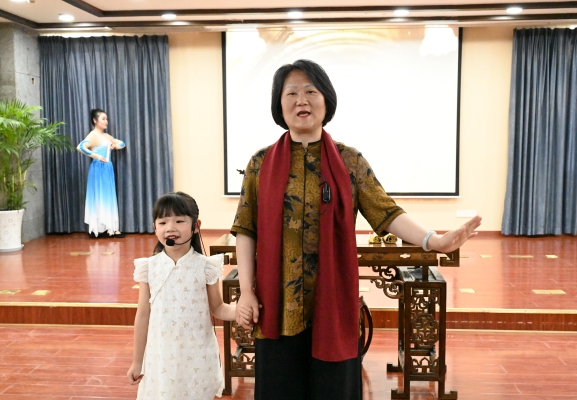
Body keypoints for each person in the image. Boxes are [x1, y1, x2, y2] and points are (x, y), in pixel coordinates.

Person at [231, 59, 482, 400]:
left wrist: (433, 240)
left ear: (326, 100)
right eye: (291, 93)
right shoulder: (260, 164)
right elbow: (246, 229)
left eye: (310, 91)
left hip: (332, 303)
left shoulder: (350, 161)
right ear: (279, 104)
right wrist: (247, 291)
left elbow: (386, 212)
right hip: (277, 304)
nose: (301, 100)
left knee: (334, 389)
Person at [126, 192, 239, 399]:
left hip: (197, 356)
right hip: (160, 357)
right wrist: (137, 361)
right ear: (154, 227)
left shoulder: (206, 266)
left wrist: (241, 311)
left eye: (179, 221)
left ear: (196, 226)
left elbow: (218, 308)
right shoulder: (148, 268)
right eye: (163, 222)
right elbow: (143, 315)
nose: (170, 228)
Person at [77, 109, 126, 238]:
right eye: (103, 119)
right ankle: (97, 229)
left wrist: (115, 146)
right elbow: (80, 147)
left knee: (108, 197)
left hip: (107, 168)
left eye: (106, 119)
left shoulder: (107, 136)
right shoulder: (93, 135)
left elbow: (122, 143)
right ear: (95, 120)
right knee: (99, 196)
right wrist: (96, 156)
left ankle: (111, 228)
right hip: (98, 168)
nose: (106, 121)